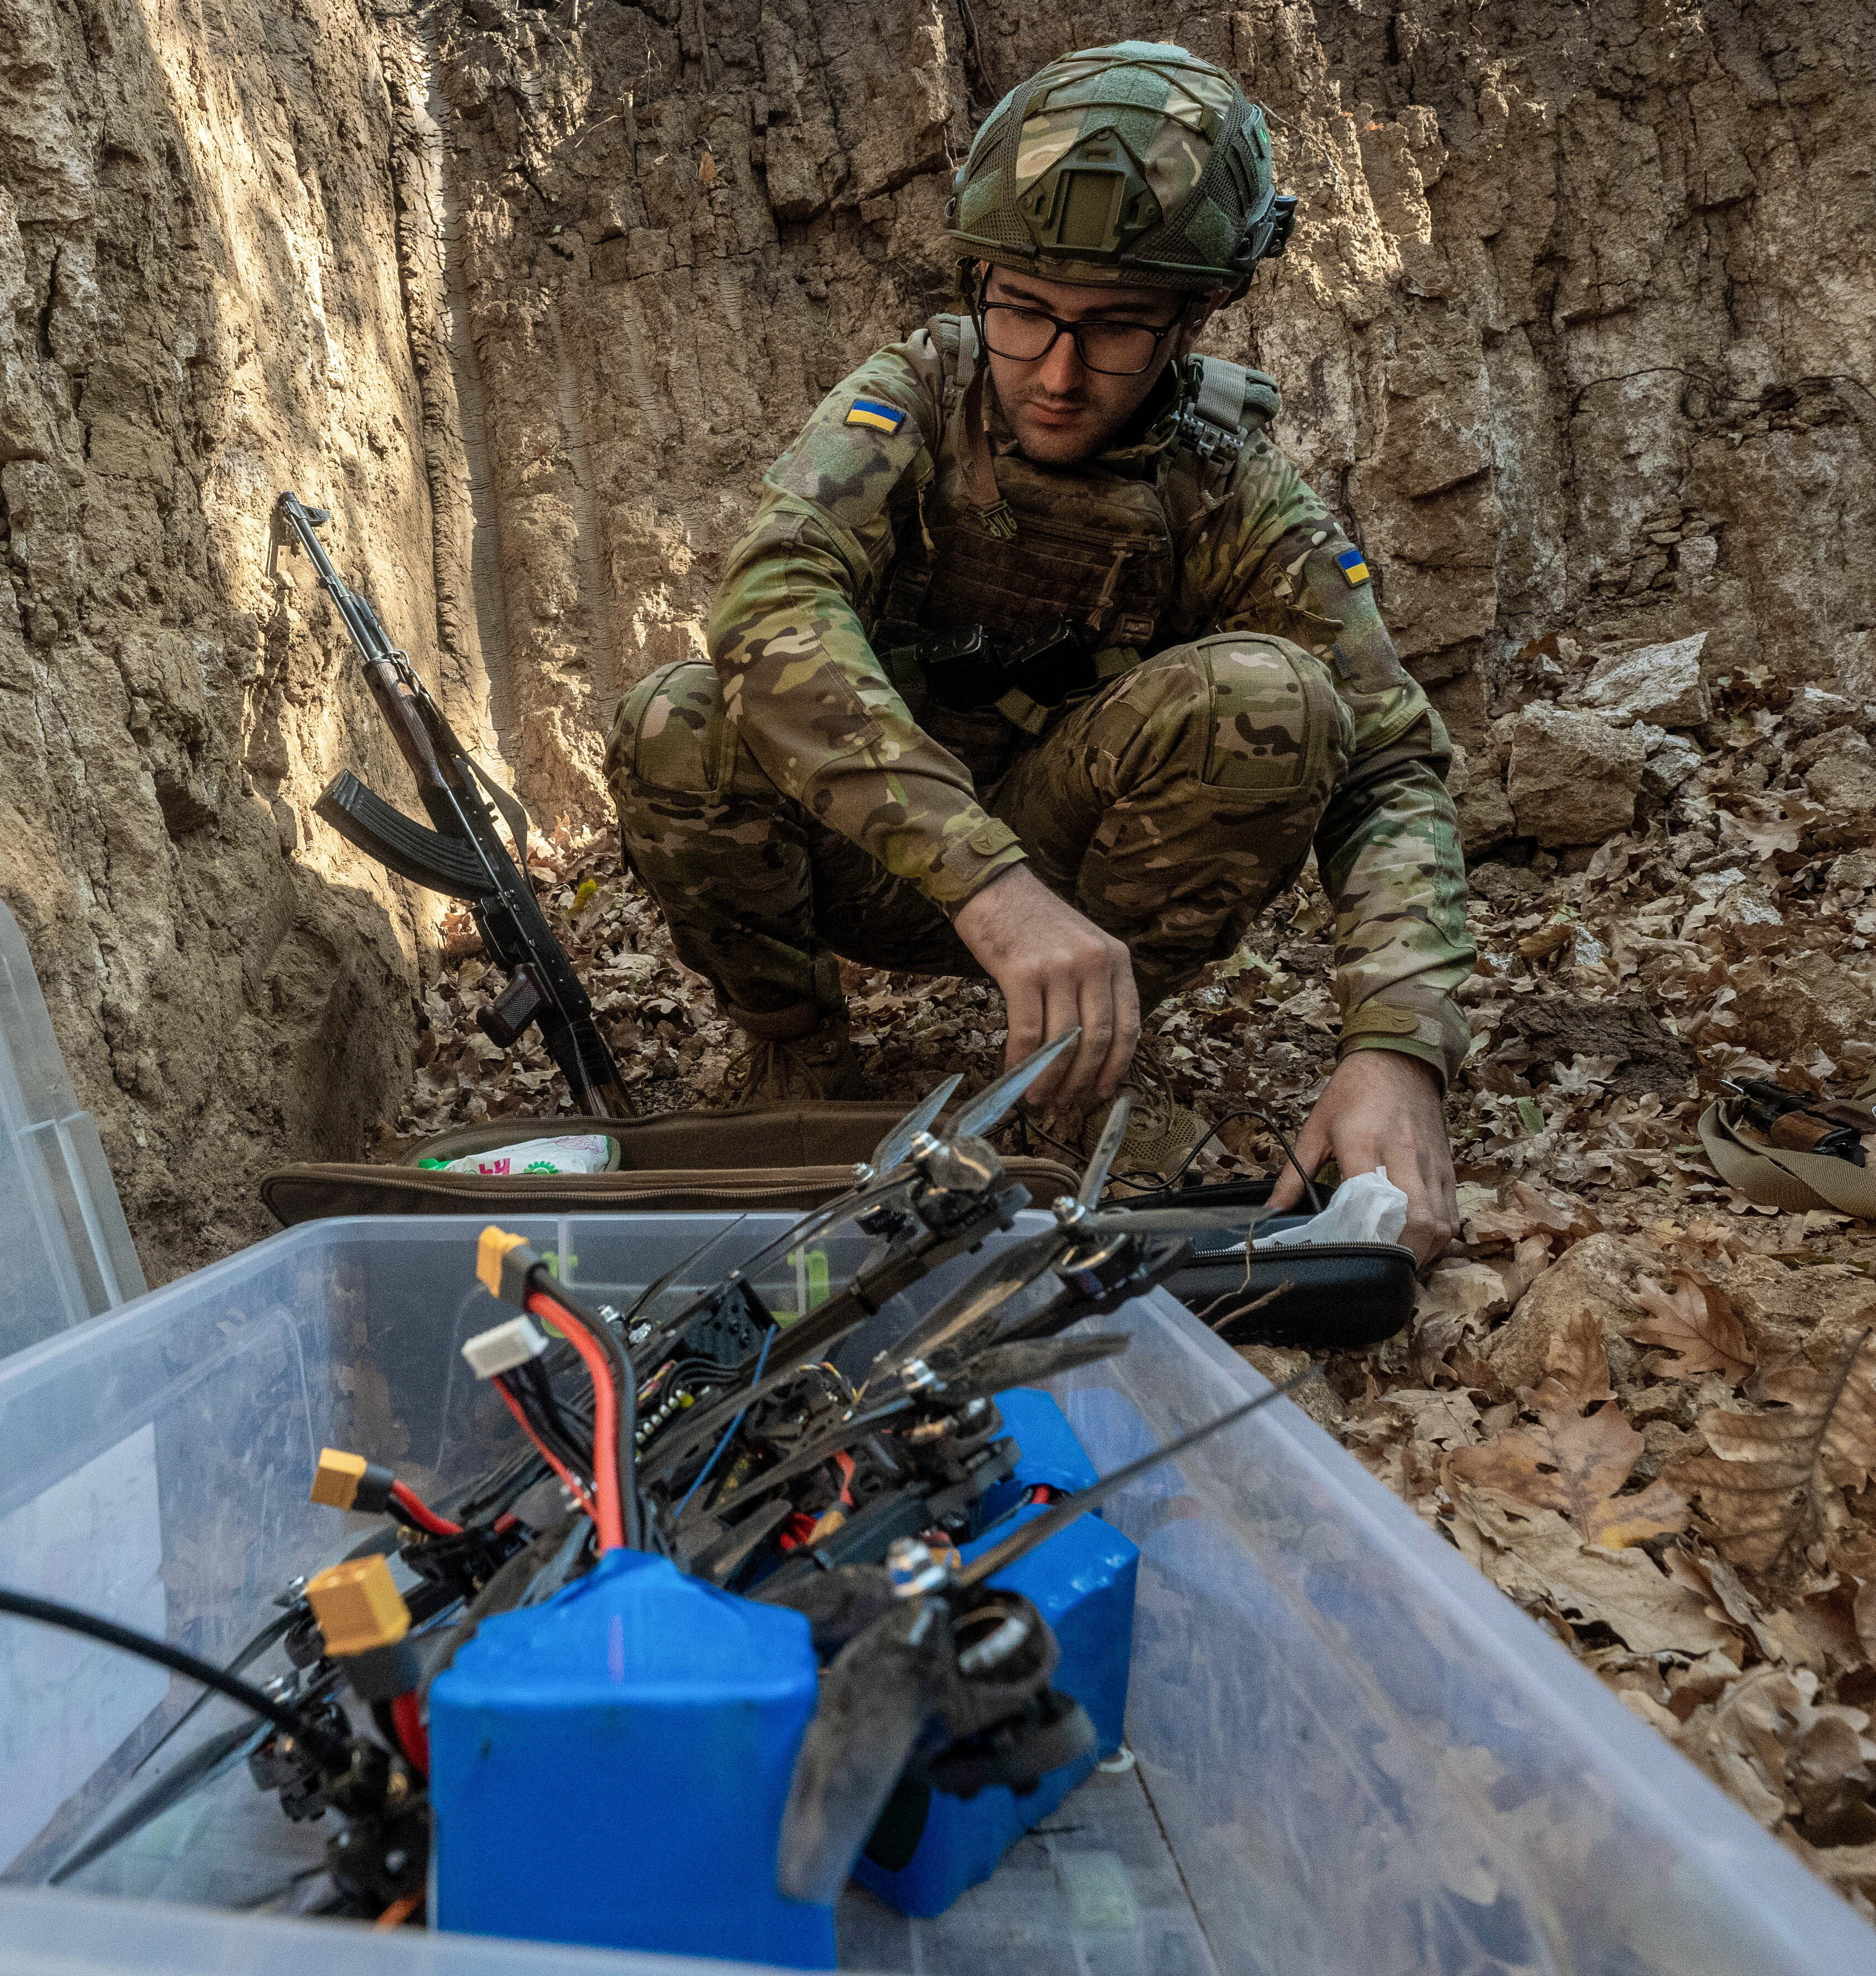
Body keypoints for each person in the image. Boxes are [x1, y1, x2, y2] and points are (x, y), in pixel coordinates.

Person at [605, 40, 1471, 1262]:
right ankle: (795, 1045)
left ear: (1197, 313)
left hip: (1084, 899)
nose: (1057, 373)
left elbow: (1390, 768)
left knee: (1272, 700)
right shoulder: (908, 399)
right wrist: (987, 888)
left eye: (1115, 328)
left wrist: (1397, 1047)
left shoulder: (1231, 491)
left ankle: (1083, 1069)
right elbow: (772, 598)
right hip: (873, 857)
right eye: (1020, 311)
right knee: (676, 719)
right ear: (978, 283)